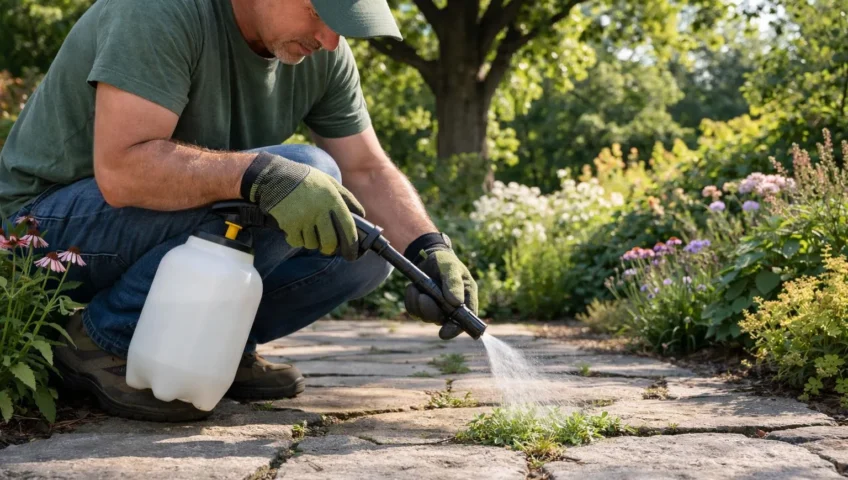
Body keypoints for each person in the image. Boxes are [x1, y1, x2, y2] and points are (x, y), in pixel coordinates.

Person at [0, 0, 479, 422]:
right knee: (299, 173)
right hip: (42, 228)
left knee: (373, 244)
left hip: (168, 222)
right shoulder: (158, 10)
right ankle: (101, 340)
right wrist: (260, 176)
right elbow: (122, 171)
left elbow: (368, 171)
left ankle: (217, 348)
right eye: (320, 13)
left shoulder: (324, 55)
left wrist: (431, 248)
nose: (330, 40)